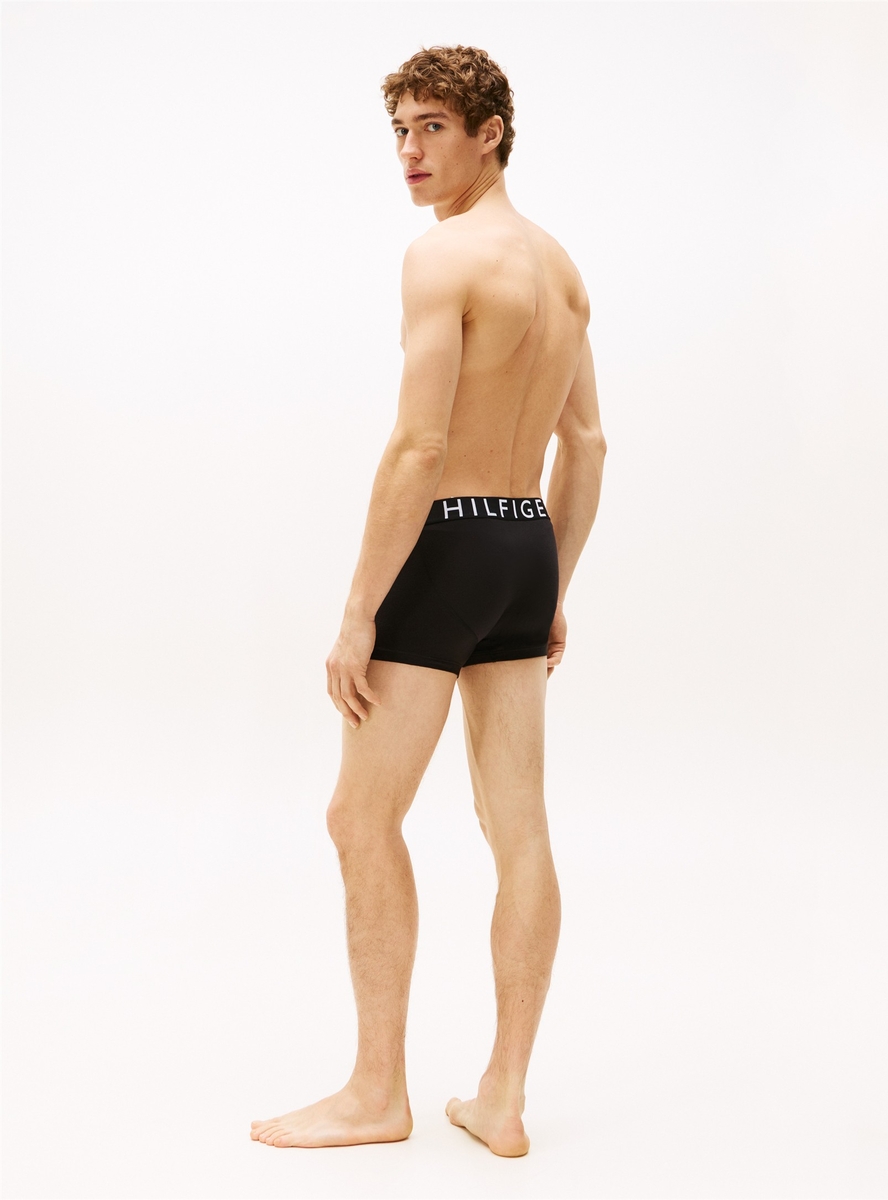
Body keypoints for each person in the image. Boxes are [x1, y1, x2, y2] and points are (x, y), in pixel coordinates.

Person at [250, 44, 606, 1158]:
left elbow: (418, 447)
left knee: (360, 817)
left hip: (447, 547)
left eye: (433, 128)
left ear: (490, 133)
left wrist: (361, 608)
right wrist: (552, 582)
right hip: (523, 545)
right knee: (518, 827)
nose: (409, 151)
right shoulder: (560, 269)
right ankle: (502, 1098)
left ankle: (376, 1093)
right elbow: (587, 444)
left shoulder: (442, 258)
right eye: (399, 130)